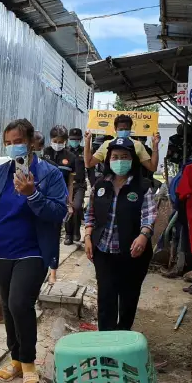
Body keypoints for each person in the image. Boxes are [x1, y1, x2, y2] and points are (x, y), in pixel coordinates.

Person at [0, 119, 67, 383]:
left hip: (33, 252)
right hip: (0, 252)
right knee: (8, 307)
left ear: (31, 142)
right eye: (8, 143)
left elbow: (59, 212)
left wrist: (33, 194)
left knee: (20, 303)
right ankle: (16, 359)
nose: (13, 147)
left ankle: (29, 362)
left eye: (18, 141)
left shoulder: (50, 175)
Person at [84, 138, 157, 332]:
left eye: (124, 156)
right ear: (108, 159)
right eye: (115, 157)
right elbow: (90, 213)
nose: (119, 161)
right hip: (103, 251)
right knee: (106, 297)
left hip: (133, 253)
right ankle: (106, 340)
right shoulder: (100, 184)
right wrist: (88, 236)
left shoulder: (142, 186)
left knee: (128, 297)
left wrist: (143, 235)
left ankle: (123, 337)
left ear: (133, 159)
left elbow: (149, 215)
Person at [43, 125, 76, 281]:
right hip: (42, 200)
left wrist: (69, 202)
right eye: (55, 141)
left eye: (60, 141)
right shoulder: (45, 153)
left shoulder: (70, 157)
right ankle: (41, 267)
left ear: (65, 141)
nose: (57, 144)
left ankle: (53, 271)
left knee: (54, 235)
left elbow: (70, 183)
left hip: (58, 201)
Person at [84, 115, 160, 178]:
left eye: (126, 129)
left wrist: (155, 146)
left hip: (131, 186)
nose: (124, 131)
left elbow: (152, 167)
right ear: (115, 129)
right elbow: (88, 164)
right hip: (110, 185)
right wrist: (87, 141)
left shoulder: (137, 145)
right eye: (121, 129)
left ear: (130, 129)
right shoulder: (106, 144)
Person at [67, 128, 87, 243]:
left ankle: (76, 231)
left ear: (80, 139)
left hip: (80, 185)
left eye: (77, 139)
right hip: (67, 185)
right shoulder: (65, 151)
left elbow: (90, 169)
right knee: (67, 207)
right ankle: (68, 234)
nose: (74, 141)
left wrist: (94, 185)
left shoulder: (84, 151)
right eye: (72, 139)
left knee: (77, 206)